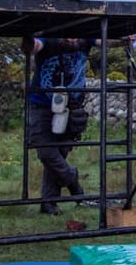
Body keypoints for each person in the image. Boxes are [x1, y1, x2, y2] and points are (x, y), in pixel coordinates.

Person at [23, 36, 102, 214]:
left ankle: (48, 203)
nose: (72, 38)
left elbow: (105, 41)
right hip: (42, 103)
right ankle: (73, 181)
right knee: (46, 151)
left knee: (60, 153)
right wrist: (28, 43)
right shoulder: (49, 36)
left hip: (72, 105)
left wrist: (124, 38)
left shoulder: (86, 36)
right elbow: (35, 45)